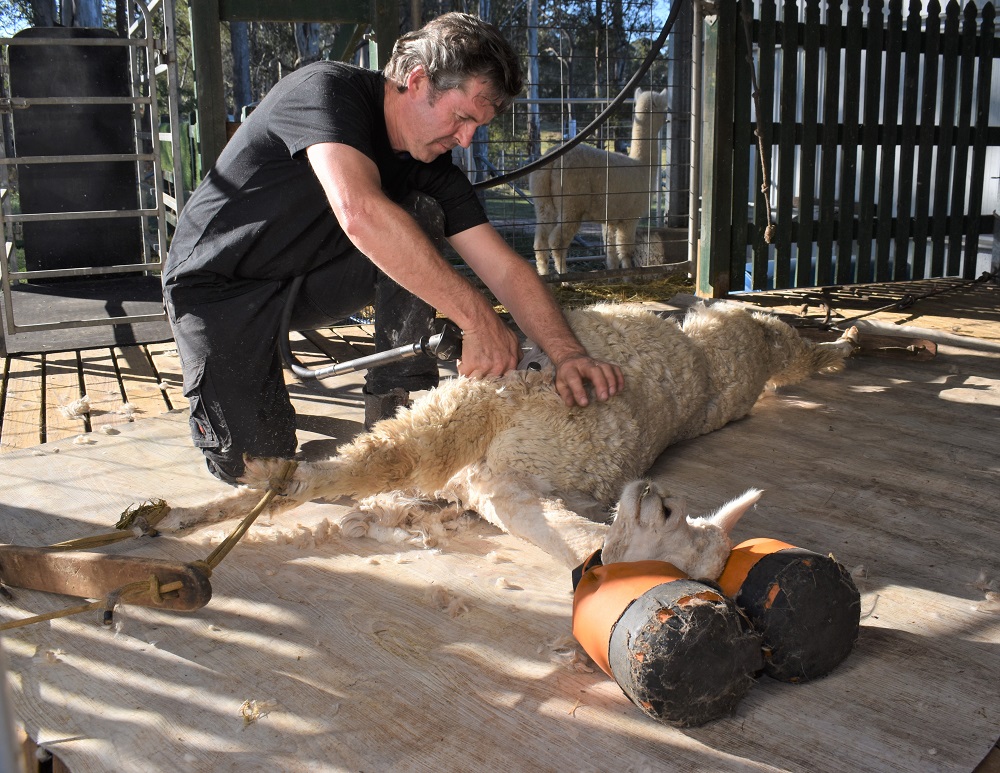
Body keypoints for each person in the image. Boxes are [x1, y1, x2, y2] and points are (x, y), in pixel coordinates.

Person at [163, 12, 624, 485]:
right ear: (418, 80)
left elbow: (504, 268)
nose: (465, 140)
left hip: (304, 281)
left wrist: (567, 354)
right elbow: (359, 213)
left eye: (477, 127)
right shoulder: (325, 91)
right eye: (463, 118)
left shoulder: (433, 163)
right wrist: (477, 318)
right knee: (256, 468)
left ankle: (392, 416)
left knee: (422, 211)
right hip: (219, 287)